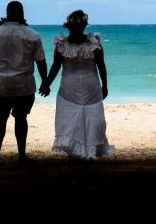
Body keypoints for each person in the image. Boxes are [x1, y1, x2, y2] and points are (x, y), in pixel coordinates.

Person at [38, 9, 115, 160]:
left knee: (83, 118)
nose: (79, 29)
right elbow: (56, 66)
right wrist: (46, 83)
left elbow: (101, 65)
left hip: (82, 86)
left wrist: (46, 84)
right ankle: (80, 151)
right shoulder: (66, 44)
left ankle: (84, 150)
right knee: (83, 117)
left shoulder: (90, 42)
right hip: (75, 87)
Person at [0, 0, 48, 163]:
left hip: (0, 85)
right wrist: (45, 82)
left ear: (7, 13)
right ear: (22, 13)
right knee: (21, 118)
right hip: (23, 85)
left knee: (0, 119)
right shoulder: (32, 35)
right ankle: (21, 155)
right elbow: (40, 61)